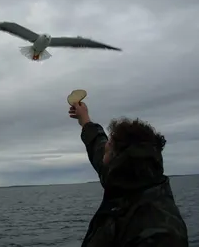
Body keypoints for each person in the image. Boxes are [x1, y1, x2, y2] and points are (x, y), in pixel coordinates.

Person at [69, 101, 189, 247]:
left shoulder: (161, 233)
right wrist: (85, 120)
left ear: (119, 158)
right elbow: (97, 144)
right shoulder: (122, 176)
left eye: (110, 145)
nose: (105, 145)